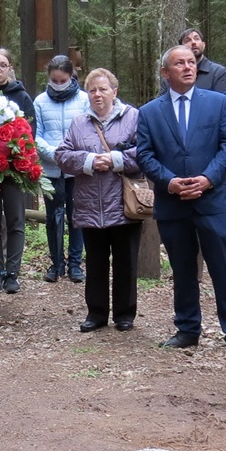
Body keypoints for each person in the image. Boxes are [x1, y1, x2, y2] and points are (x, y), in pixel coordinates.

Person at [136, 45, 226, 362]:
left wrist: (208, 178)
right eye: (180, 63)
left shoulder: (217, 103)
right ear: (166, 73)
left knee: (223, 269)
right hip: (173, 204)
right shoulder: (149, 112)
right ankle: (188, 329)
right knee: (183, 269)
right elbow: (145, 155)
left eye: (191, 62)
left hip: (211, 199)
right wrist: (170, 182)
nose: (188, 67)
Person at [56, 68, 143, 332]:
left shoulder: (133, 117)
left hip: (123, 204)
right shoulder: (79, 122)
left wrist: (115, 160)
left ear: (114, 92)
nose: (97, 94)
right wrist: (89, 161)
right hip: (90, 205)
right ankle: (96, 313)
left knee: (125, 261)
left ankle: (125, 314)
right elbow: (62, 155)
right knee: (95, 262)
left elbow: (146, 153)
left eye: (103, 89)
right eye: (92, 90)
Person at [0, 47, 36, 293]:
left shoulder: (21, 96)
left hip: (14, 168)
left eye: (3, 65)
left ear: (10, 67)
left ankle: (13, 271)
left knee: (15, 219)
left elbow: (30, 132)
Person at [33, 55, 89, 282]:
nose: (58, 84)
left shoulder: (84, 100)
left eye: (62, 80)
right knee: (53, 217)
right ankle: (56, 264)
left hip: (77, 170)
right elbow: (36, 136)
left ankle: (75, 264)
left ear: (71, 76)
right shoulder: (40, 102)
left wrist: (71, 157)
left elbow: (87, 132)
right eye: (54, 81)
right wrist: (56, 154)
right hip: (52, 169)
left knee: (77, 216)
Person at [177, 27, 226, 94]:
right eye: (188, 40)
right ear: (180, 48)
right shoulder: (172, 74)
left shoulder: (218, 72)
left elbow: (222, 103)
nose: (193, 42)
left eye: (196, 39)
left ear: (203, 45)